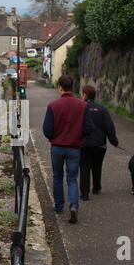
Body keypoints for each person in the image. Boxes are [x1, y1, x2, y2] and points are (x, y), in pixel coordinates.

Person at [43, 76, 93, 224]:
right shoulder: (82, 105)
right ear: (73, 87)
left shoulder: (53, 105)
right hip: (74, 148)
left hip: (57, 147)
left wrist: (54, 136)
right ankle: (73, 206)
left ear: (60, 87)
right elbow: (88, 128)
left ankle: (59, 206)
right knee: (72, 179)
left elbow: (47, 130)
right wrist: (78, 136)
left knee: (57, 176)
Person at [80, 85, 119, 201]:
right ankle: (96, 187)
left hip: (84, 144)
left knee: (84, 168)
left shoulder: (80, 108)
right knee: (97, 166)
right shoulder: (102, 109)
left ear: (85, 95)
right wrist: (114, 141)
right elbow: (109, 127)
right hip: (100, 145)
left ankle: (85, 194)